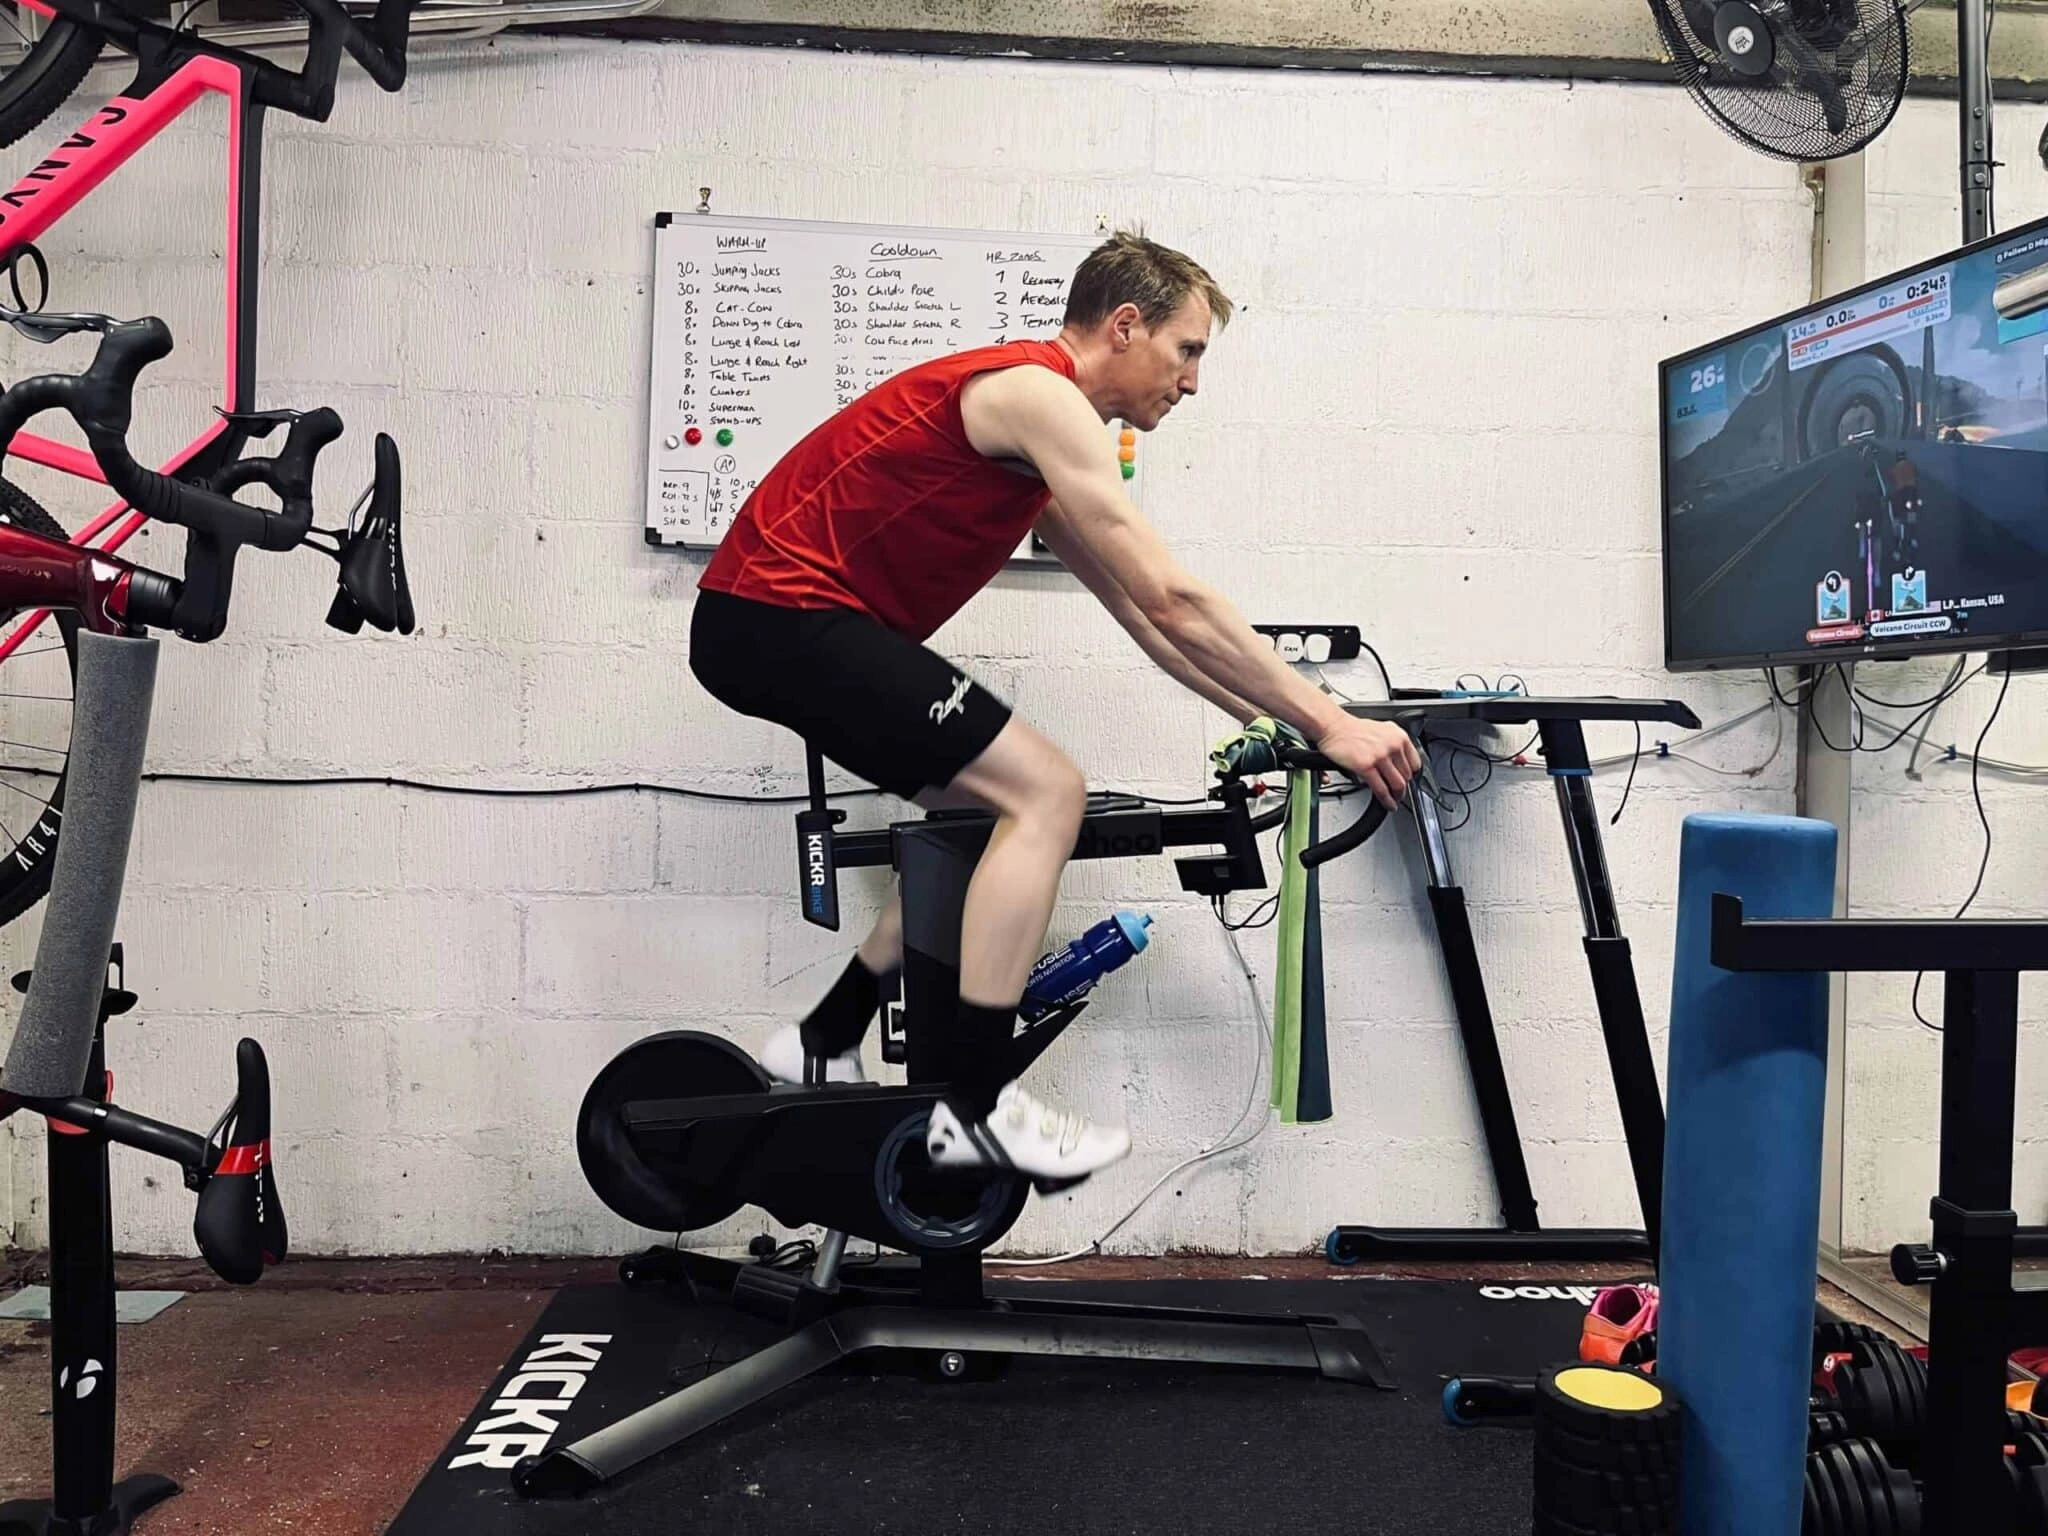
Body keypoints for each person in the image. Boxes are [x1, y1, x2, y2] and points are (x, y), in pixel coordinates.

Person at [689, 232, 1419, 1184]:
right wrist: (1333, 718)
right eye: (1187, 350)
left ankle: (827, 1036)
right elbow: (1176, 597)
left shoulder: (1033, 449)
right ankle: (976, 1109)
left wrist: (1278, 724)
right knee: (1046, 794)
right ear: (1126, 325)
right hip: (779, 616)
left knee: (973, 821)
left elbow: (1150, 626)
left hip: (774, 626)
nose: (1192, 382)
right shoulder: (1038, 394)